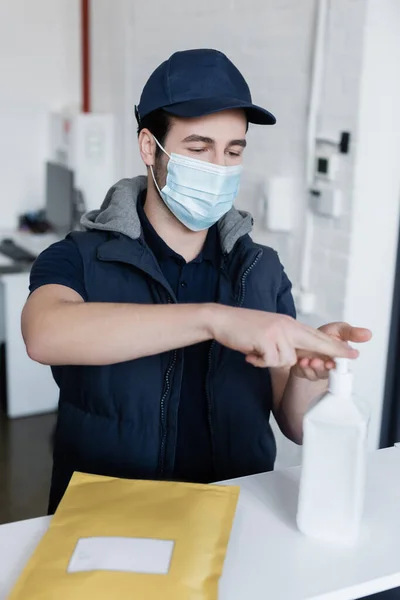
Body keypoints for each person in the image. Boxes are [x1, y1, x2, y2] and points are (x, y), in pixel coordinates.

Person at [22, 49, 371, 513]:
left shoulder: (260, 269)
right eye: (198, 148)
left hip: (234, 518)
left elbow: (297, 426)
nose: (219, 167)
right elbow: (44, 335)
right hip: (110, 522)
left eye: (232, 151)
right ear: (150, 147)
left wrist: (307, 379)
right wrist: (213, 320)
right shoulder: (81, 257)